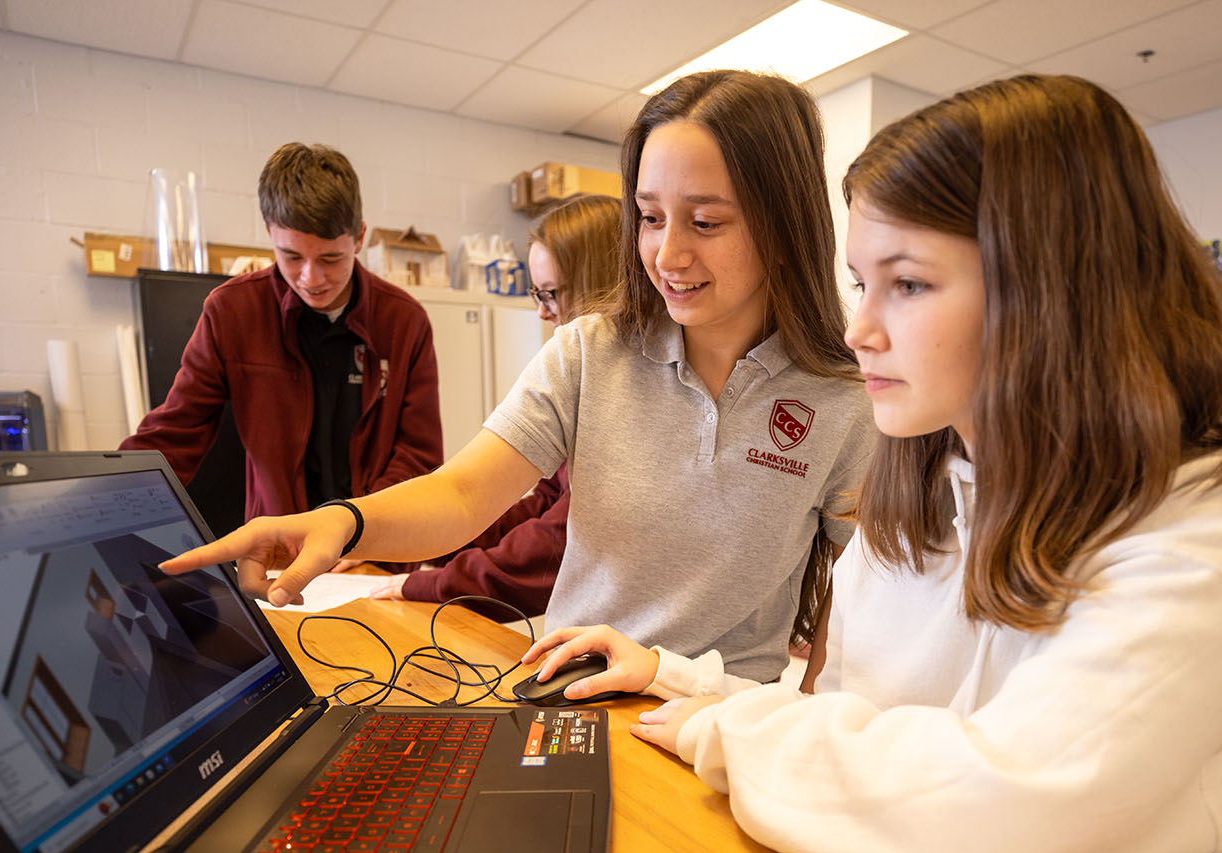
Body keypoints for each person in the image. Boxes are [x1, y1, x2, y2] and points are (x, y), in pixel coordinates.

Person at [523, 74, 1222, 853]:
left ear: (1053, 290)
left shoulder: (1213, 517)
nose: (860, 329)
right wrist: (677, 678)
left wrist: (725, 728)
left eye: (909, 284)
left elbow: (994, 818)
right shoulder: (929, 469)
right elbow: (857, 720)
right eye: (863, 283)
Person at [162, 70, 877, 686]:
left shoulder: (845, 403)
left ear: (783, 226)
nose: (667, 253)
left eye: (706, 223)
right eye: (651, 218)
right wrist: (347, 523)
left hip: (720, 726)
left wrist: (805, 734)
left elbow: (854, 611)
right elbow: (465, 492)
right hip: (569, 692)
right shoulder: (592, 352)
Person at [121, 143, 442, 527]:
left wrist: (361, 529)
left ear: (359, 237)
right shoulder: (231, 312)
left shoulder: (404, 321)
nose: (312, 279)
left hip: (373, 546)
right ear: (268, 230)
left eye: (330, 258)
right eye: (291, 256)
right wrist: (109, 502)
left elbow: (418, 453)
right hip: (277, 545)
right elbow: (175, 433)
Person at [370, 193, 621, 619]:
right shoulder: (589, 373)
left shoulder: (624, 392)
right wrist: (435, 550)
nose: (542, 313)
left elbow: (556, 542)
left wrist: (430, 582)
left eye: (550, 294)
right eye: (535, 294)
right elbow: (544, 498)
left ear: (593, 287)